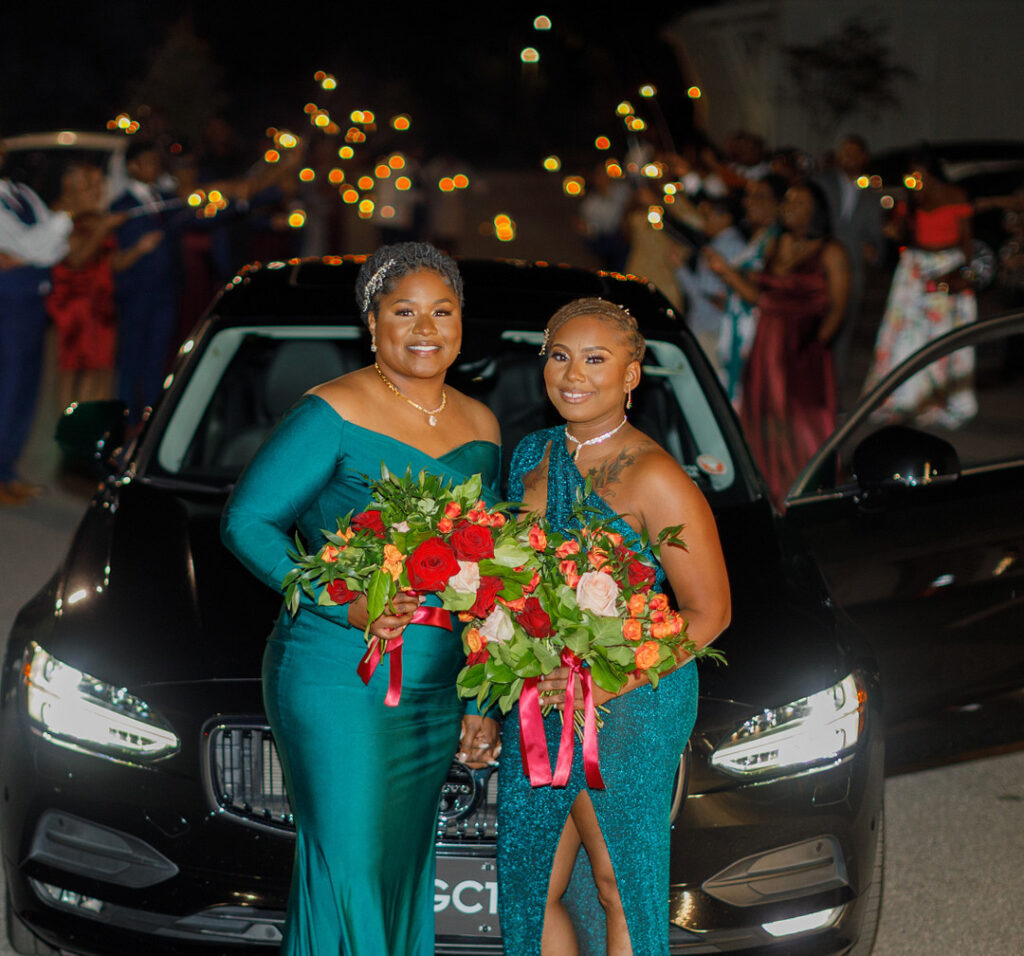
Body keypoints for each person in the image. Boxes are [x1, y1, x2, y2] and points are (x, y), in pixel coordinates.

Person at [221, 243, 501, 954]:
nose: (425, 328)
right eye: (404, 311)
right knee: (350, 870)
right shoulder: (332, 412)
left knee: (397, 874)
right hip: (340, 670)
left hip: (435, 688)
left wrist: (481, 699)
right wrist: (336, 599)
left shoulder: (482, 423)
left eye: (442, 311)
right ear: (371, 322)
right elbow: (247, 522)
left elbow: (488, 572)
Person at [497, 298, 731, 955]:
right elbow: (509, 582)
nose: (574, 374)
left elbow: (709, 611)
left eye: (596, 359)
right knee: (527, 882)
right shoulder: (530, 456)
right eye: (560, 356)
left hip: (630, 699)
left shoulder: (655, 476)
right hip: (539, 693)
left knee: (617, 879)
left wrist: (604, 681)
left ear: (632, 374)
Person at [708, 182, 849, 505]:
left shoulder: (830, 250)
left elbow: (839, 306)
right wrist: (726, 273)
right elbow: (761, 298)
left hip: (805, 345)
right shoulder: (777, 244)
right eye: (788, 201)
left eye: (799, 202)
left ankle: (812, 490)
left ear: (816, 211)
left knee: (805, 422)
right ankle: (771, 491)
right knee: (764, 418)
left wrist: (816, 345)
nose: (789, 207)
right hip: (768, 342)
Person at [862, 159, 977, 427]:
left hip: (947, 265)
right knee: (907, 335)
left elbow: (967, 243)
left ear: (933, 174)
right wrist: (896, 223)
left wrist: (962, 273)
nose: (915, 181)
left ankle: (938, 397)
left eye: (919, 176)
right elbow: (902, 236)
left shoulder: (954, 196)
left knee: (942, 335)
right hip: (915, 269)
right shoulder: (911, 200)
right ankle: (904, 398)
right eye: (911, 177)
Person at [0, 136, 76, 505]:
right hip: (7, 305)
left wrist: (31, 252)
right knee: (8, 388)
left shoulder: (23, 193)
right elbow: (37, 245)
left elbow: (55, 246)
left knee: (26, 389)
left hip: (30, 303)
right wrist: (36, 249)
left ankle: (9, 470)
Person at [111, 141, 182, 424]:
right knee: (131, 360)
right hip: (136, 294)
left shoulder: (166, 198)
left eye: (156, 162)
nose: (154, 168)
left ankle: (151, 421)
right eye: (148, 162)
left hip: (165, 292)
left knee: (157, 357)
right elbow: (115, 256)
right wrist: (139, 249)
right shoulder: (121, 206)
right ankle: (126, 420)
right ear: (132, 166)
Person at [47, 164, 126, 409]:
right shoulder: (61, 214)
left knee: (101, 365)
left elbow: (112, 260)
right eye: (90, 185)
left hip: (101, 300)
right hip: (75, 302)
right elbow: (76, 259)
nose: (97, 190)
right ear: (72, 187)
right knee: (73, 366)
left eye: (98, 185)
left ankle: (92, 422)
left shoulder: (97, 215)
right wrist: (103, 228)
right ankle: (68, 424)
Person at [813, 135, 884, 395]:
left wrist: (874, 251)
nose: (848, 157)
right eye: (844, 152)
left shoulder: (871, 195)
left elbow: (877, 239)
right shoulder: (822, 183)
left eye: (854, 153)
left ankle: (834, 394)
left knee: (843, 331)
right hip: (821, 270)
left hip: (853, 272)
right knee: (816, 328)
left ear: (864, 157)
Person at [718, 174, 786, 405]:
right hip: (739, 327)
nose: (749, 202)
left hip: (755, 332)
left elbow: (760, 295)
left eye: (760, 197)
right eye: (748, 196)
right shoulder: (759, 237)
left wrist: (725, 271)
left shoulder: (776, 241)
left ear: (778, 203)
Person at [672, 194, 746, 376]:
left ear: (726, 218)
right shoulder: (716, 245)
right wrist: (680, 267)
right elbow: (700, 291)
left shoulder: (732, 247)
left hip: (715, 330)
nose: (704, 221)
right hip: (703, 326)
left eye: (708, 216)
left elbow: (713, 294)